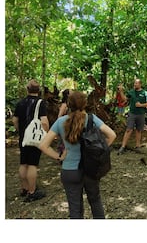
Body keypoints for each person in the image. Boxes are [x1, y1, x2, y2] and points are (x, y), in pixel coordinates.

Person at [38, 90, 116, 218]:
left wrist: (59, 156)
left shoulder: (60, 122)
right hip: (90, 168)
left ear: (68, 104)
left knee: (75, 208)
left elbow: (43, 145)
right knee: (95, 202)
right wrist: (99, 150)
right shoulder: (91, 119)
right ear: (85, 104)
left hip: (69, 170)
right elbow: (112, 135)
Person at [12, 79, 49, 202]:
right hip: (35, 137)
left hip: (24, 137)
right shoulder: (40, 103)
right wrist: (46, 134)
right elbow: (44, 121)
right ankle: (32, 192)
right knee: (33, 164)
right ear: (38, 90)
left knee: (23, 163)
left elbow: (15, 120)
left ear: (27, 89)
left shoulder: (20, 103)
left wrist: (21, 130)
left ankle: (24, 188)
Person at [117, 78, 147, 154]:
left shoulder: (145, 93)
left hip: (141, 114)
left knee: (139, 130)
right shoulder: (131, 92)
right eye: (134, 83)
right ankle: (122, 147)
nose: (135, 84)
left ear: (140, 84)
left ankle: (138, 146)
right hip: (132, 113)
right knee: (129, 129)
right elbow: (124, 99)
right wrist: (121, 91)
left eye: (136, 83)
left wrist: (141, 105)